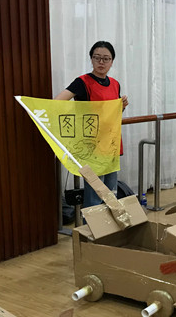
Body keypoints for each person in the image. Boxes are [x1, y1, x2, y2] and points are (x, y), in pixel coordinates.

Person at [54, 41, 129, 207]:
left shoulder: (115, 84)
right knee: (95, 194)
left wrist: (121, 107)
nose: (101, 62)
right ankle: (92, 224)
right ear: (91, 59)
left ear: (112, 61)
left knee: (111, 193)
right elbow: (57, 102)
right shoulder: (82, 82)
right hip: (92, 146)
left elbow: (112, 115)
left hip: (111, 143)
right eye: (97, 58)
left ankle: (109, 223)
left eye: (106, 58)